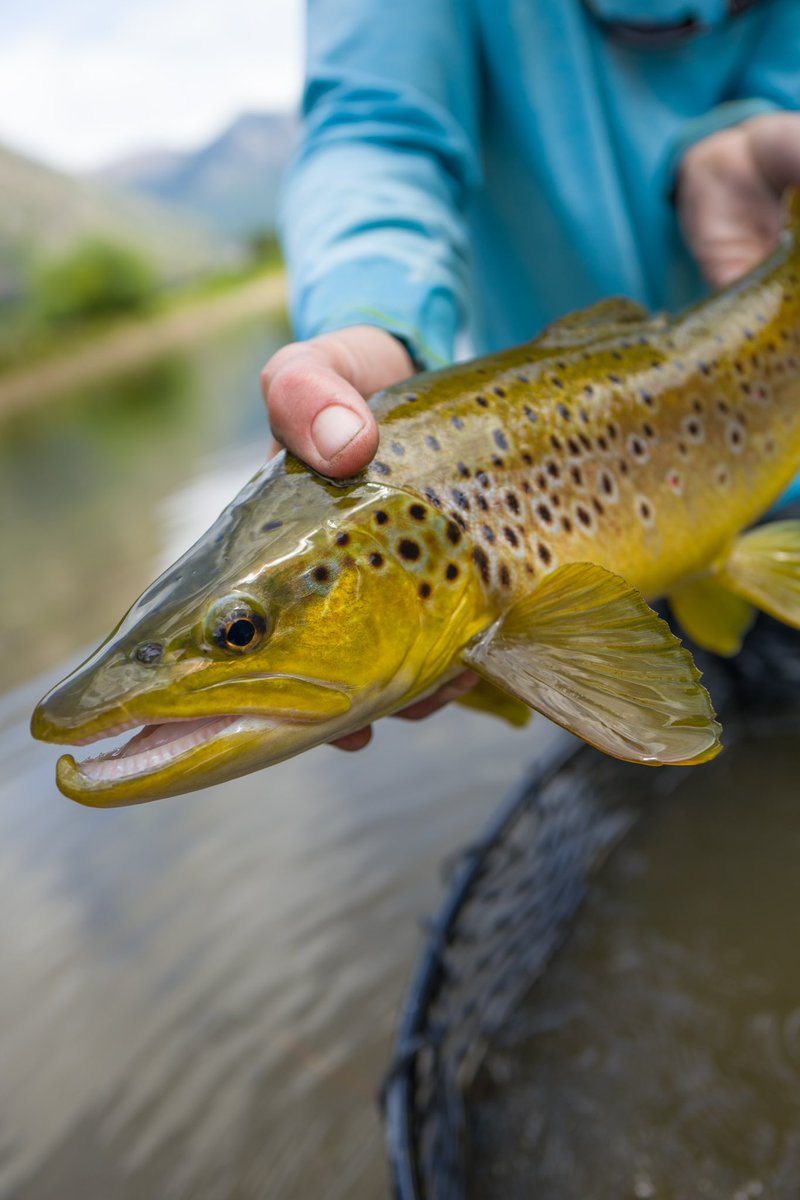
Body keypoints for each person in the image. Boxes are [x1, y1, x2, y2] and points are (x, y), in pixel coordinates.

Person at [261, 0, 800, 748]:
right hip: (568, 567)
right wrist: (374, 315)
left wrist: (747, 137)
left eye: (241, 632)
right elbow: (378, 130)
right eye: (242, 633)